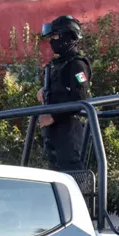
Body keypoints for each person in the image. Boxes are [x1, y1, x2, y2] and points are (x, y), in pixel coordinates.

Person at [37, 15, 92, 172]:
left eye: (55, 36)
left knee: (72, 175)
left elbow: (80, 98)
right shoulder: (58, 65)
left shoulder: (77, 65)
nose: (52, 41)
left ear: (67, 36)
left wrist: (53, 117)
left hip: (69, 131)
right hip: (54, 132)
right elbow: (60, 92)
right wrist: (43, 91)